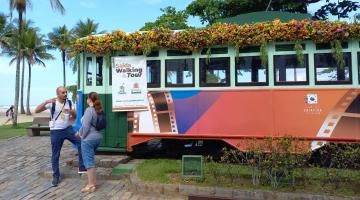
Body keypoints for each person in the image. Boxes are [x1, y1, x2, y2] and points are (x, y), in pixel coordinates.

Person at [35, 86, 86, 187]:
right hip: (56, 131)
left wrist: (72, 112)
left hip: (68, 129)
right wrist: (45, 101)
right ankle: (56, 176)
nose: (65, 94)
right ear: (58, 94)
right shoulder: (52, 103)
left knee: (81, 143)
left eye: (66, 92)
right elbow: (36, 110)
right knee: (56, 154)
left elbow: (74, 117)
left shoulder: (69, 103)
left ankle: (82, 167)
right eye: (63, 92)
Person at [76, 92, 103, 193]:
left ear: (89, 100)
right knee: (90, 159)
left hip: (88, 139)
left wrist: (80, 135)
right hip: (97, 138)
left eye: (87, 98)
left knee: (88, 162)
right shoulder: (99, 110)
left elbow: (86, 127)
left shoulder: (89, 110)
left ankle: (91, 185)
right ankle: (93, 183)